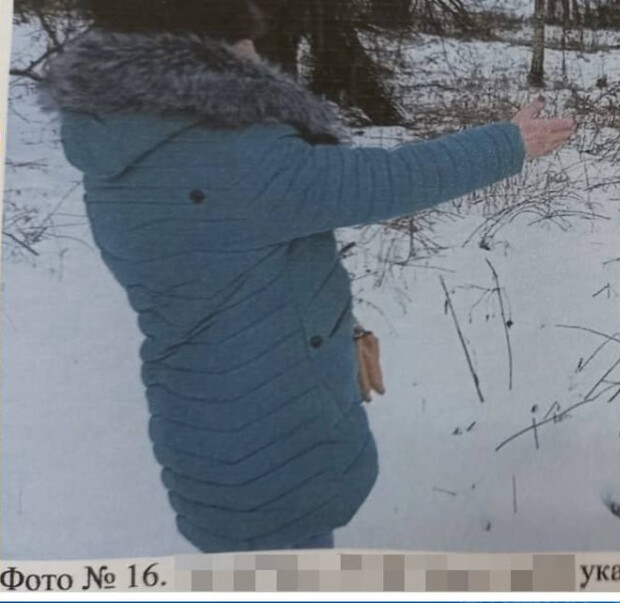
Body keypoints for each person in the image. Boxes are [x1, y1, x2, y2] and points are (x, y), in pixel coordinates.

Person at [38, 0, 575, 553]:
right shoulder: (235, 158)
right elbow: (386, 180)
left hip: (198, 424)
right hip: (271, 437)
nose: (254, 50)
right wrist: (510, 142)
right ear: (198, 53)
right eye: (238, 37)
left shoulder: (118, 147)